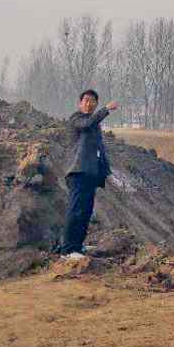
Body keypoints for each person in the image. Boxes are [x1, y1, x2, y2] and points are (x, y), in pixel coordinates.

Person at [57, 88, 117, 258]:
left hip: (90, 174)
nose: (89, 104)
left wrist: (106, 172)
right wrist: (106, 109)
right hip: (78, 172)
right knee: (76, 211)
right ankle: (68, 250)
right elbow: (88, 123)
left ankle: (77, 246)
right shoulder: (76, 119)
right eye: (86, 100)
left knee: (85, 212)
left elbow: (99, 150)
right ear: (80, 103)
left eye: (93, 101)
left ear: (96, 103)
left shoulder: (94, 125)